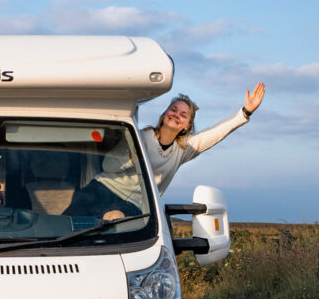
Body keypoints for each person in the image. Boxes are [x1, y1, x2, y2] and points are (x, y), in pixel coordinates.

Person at [67, 83, 266, 219]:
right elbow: (107, 165)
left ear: (187, 126)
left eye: (183, 114)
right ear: (164, 115)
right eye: (173, 109)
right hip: (100, 191)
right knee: (61, 231)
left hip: (135, 207)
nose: (176, 115)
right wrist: (131, 156)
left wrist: (245, 112)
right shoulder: (141, 137)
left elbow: (215, 133)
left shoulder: (184, 149)